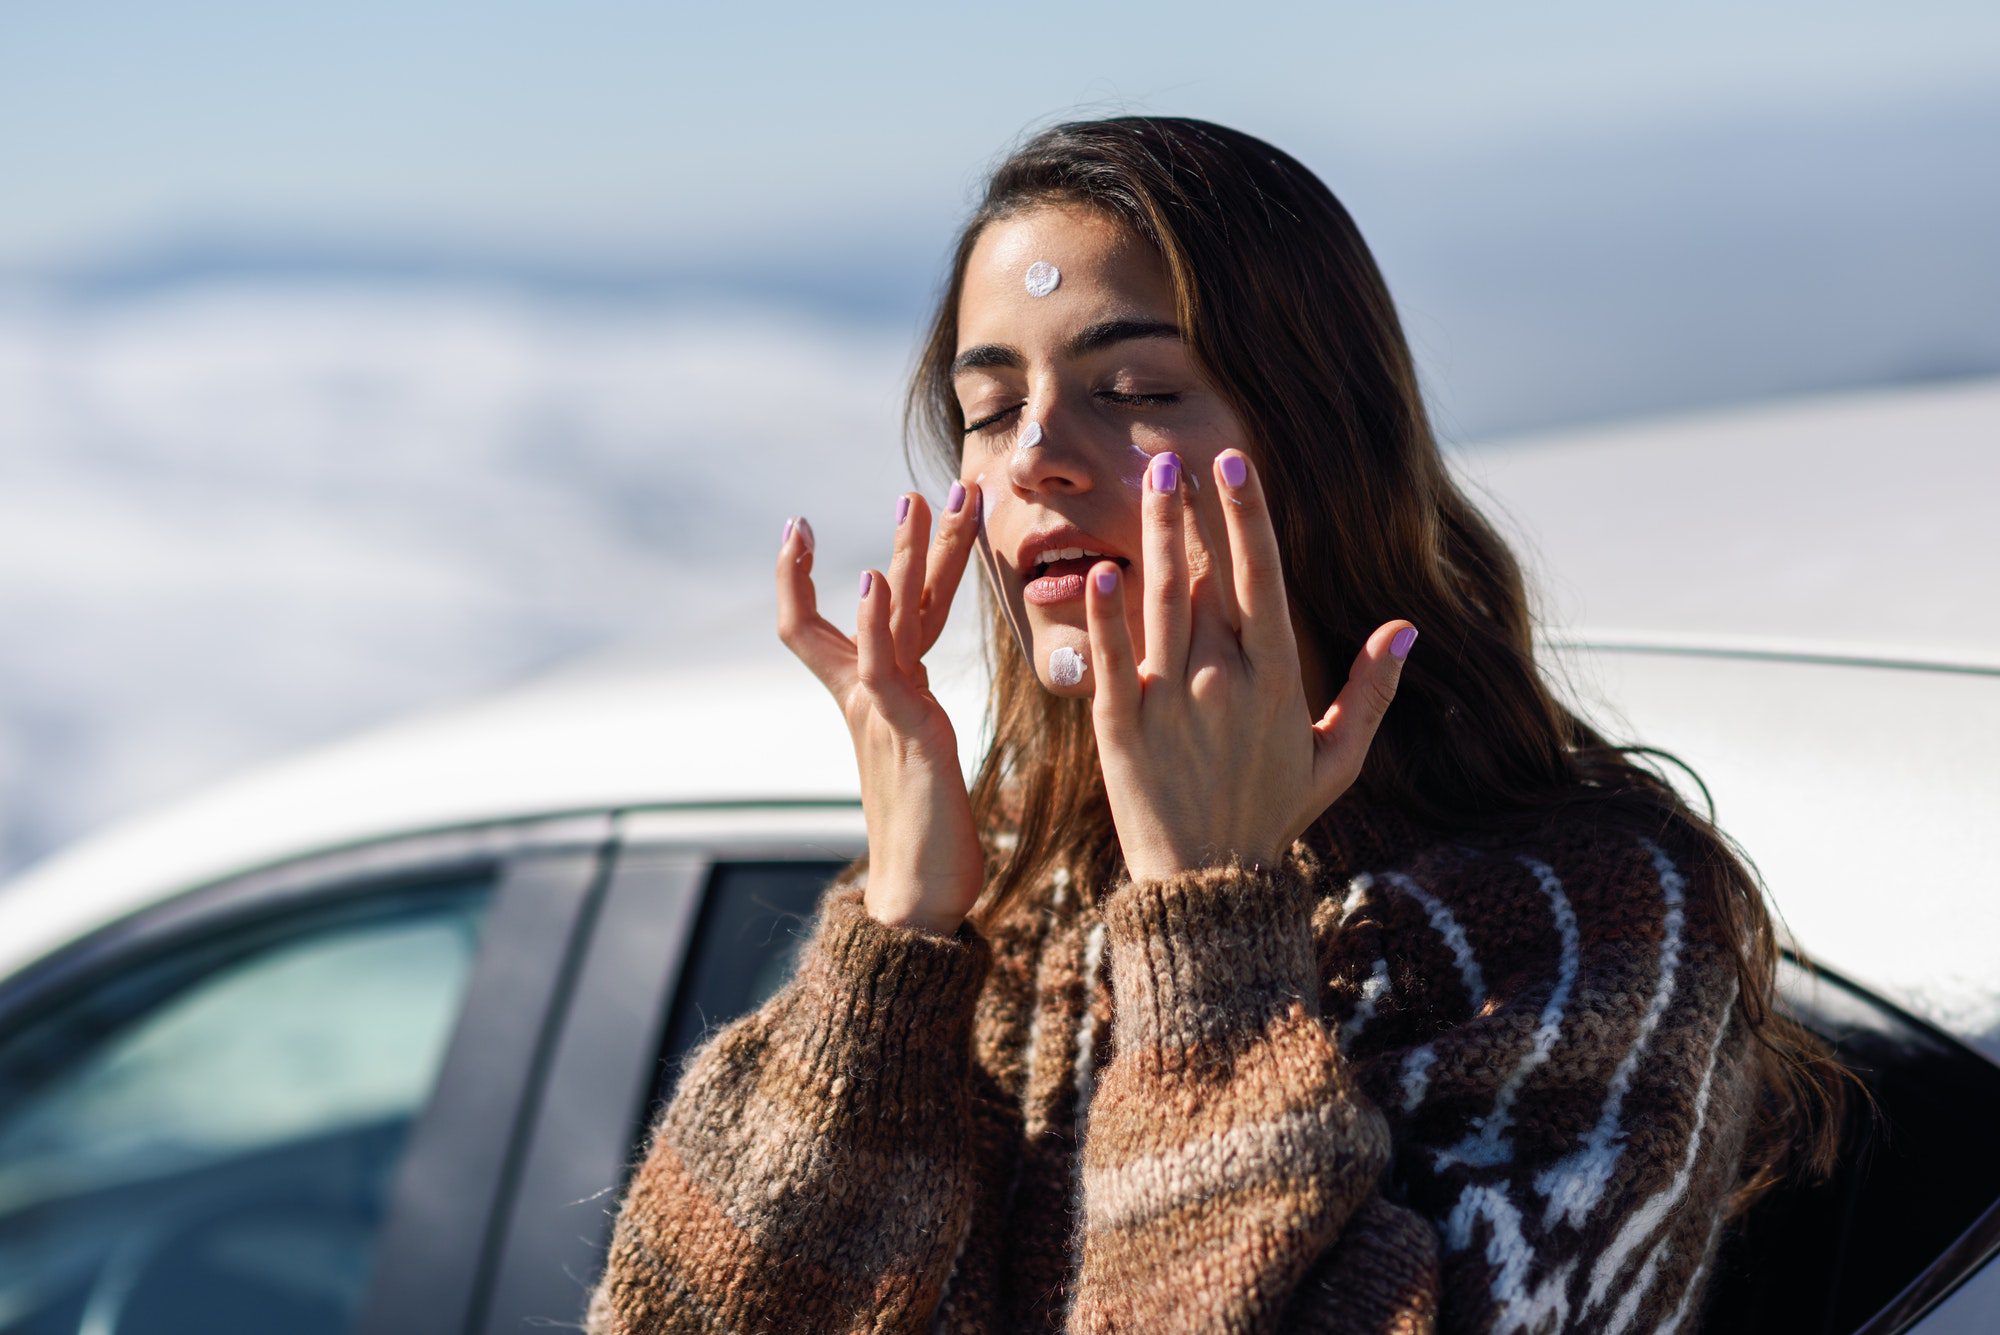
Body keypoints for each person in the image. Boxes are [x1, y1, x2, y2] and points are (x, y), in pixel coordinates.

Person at [583, 116, 1845, 1333]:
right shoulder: (1009, 892)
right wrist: (899, 935)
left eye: (1130, 389)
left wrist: (1206, 935)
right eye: (985, 408)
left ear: (1319, 442)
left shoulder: (1590, 920)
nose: (1033, 459)